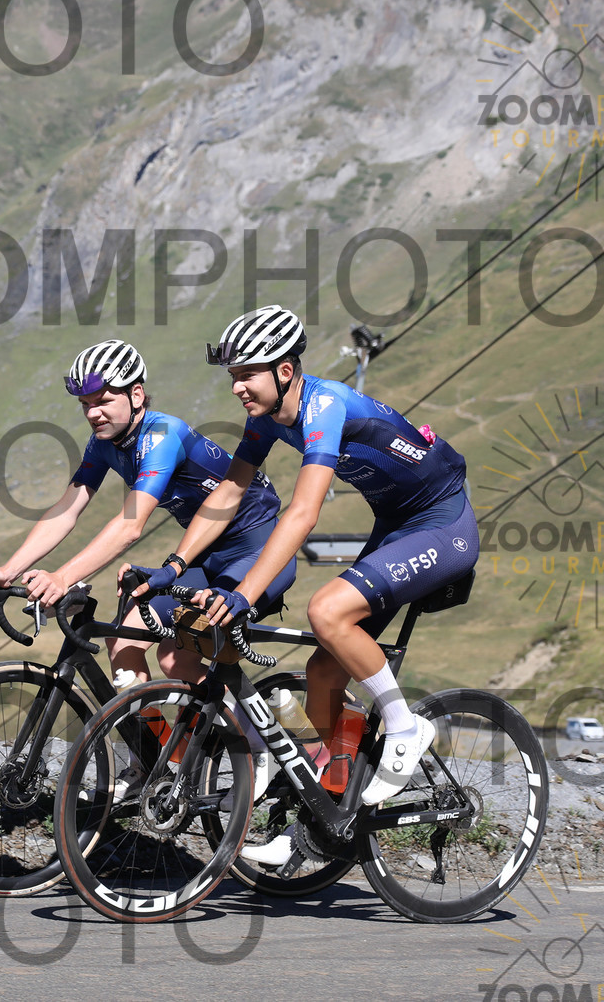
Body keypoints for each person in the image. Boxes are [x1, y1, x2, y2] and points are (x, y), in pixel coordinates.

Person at [137, 305, 478, 863]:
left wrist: (244, 594)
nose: (237, 387)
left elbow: (302, 513)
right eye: (233, 376)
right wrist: (175, 564)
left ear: (285, 371)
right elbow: (229, 493)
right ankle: (323, 821)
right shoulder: (268, 417)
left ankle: (404, 726)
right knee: (322, 672)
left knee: (326, 610)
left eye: (247, 374)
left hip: (443, 523)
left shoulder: (324, 406)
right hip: (395, 526)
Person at [0, 338, 298, 797]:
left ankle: (258, 746)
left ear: (136, 394)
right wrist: (10, 569)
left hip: (258, 551)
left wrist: (62, 577)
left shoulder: (162, 435)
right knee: (125, 644)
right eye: (86, 404)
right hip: (203, 556)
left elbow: (130, 525)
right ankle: (156, 765)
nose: (93, 413)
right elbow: (68, 508)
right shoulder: (105, 443)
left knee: (180, 653)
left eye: (103, 400)